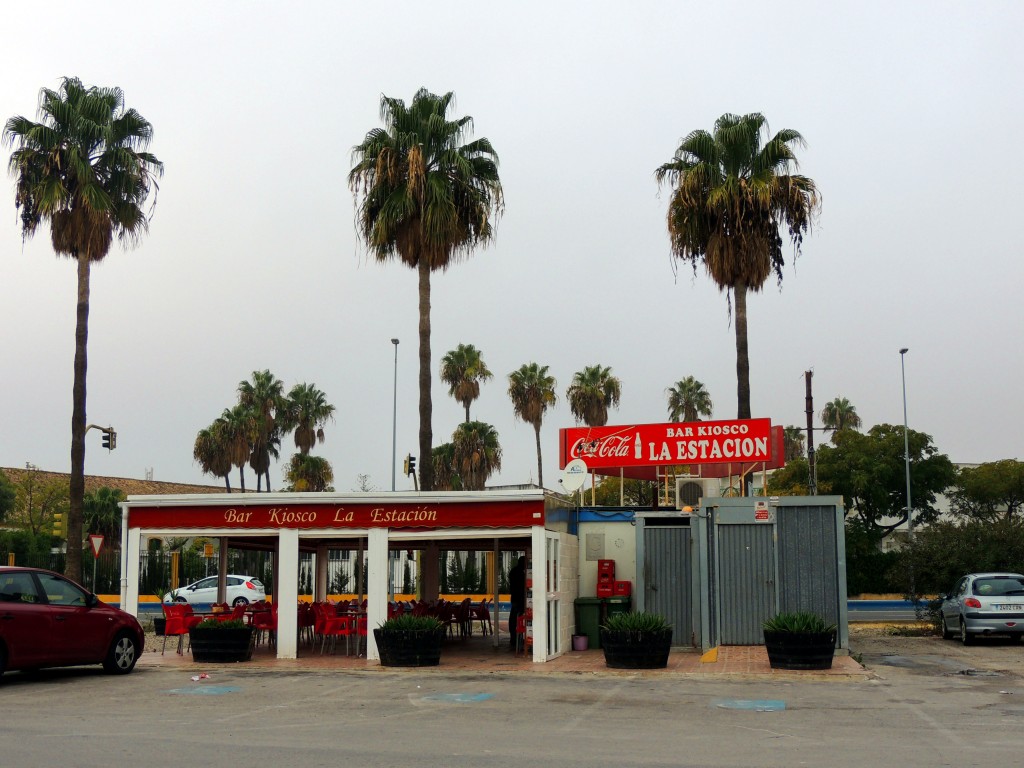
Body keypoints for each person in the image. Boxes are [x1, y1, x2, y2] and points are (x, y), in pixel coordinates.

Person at [508, 556, 526, 651]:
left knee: (513, 619)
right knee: (517, 619)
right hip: (519, 598)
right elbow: (521, 586)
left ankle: (514, 638)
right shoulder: (520, 573)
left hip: (515, 598)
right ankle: (517, 638)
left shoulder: (514, 571)